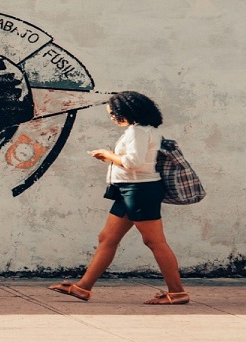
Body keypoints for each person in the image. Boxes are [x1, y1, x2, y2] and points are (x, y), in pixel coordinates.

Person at [49, 91, 189, 305]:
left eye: (114, 114)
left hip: (139, 191)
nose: (113, 118)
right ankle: (82, 288)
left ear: (128, 111)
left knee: (155, 242)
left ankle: (177, 292)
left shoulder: (138, 132)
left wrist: (107, 155)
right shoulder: (143, 130)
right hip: (130, 190)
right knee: (107, 238)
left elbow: (133, 162)